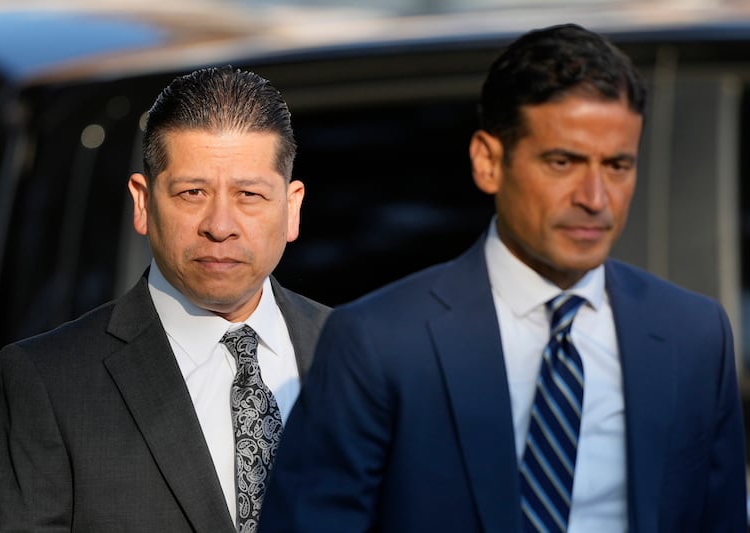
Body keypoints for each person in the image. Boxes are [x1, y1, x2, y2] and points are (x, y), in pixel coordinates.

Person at [258, 23, 747, 533]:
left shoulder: (694, 335)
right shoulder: (380, 342)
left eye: (618, 165)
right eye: (563, 162)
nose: (595, 198)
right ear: (488, 162)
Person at [0, 66, 331, 532]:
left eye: (249, 195)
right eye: (193, 193)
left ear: (292, 208)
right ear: (143, 202)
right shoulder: (48, 384)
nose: (220, 224)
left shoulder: (361, 355)